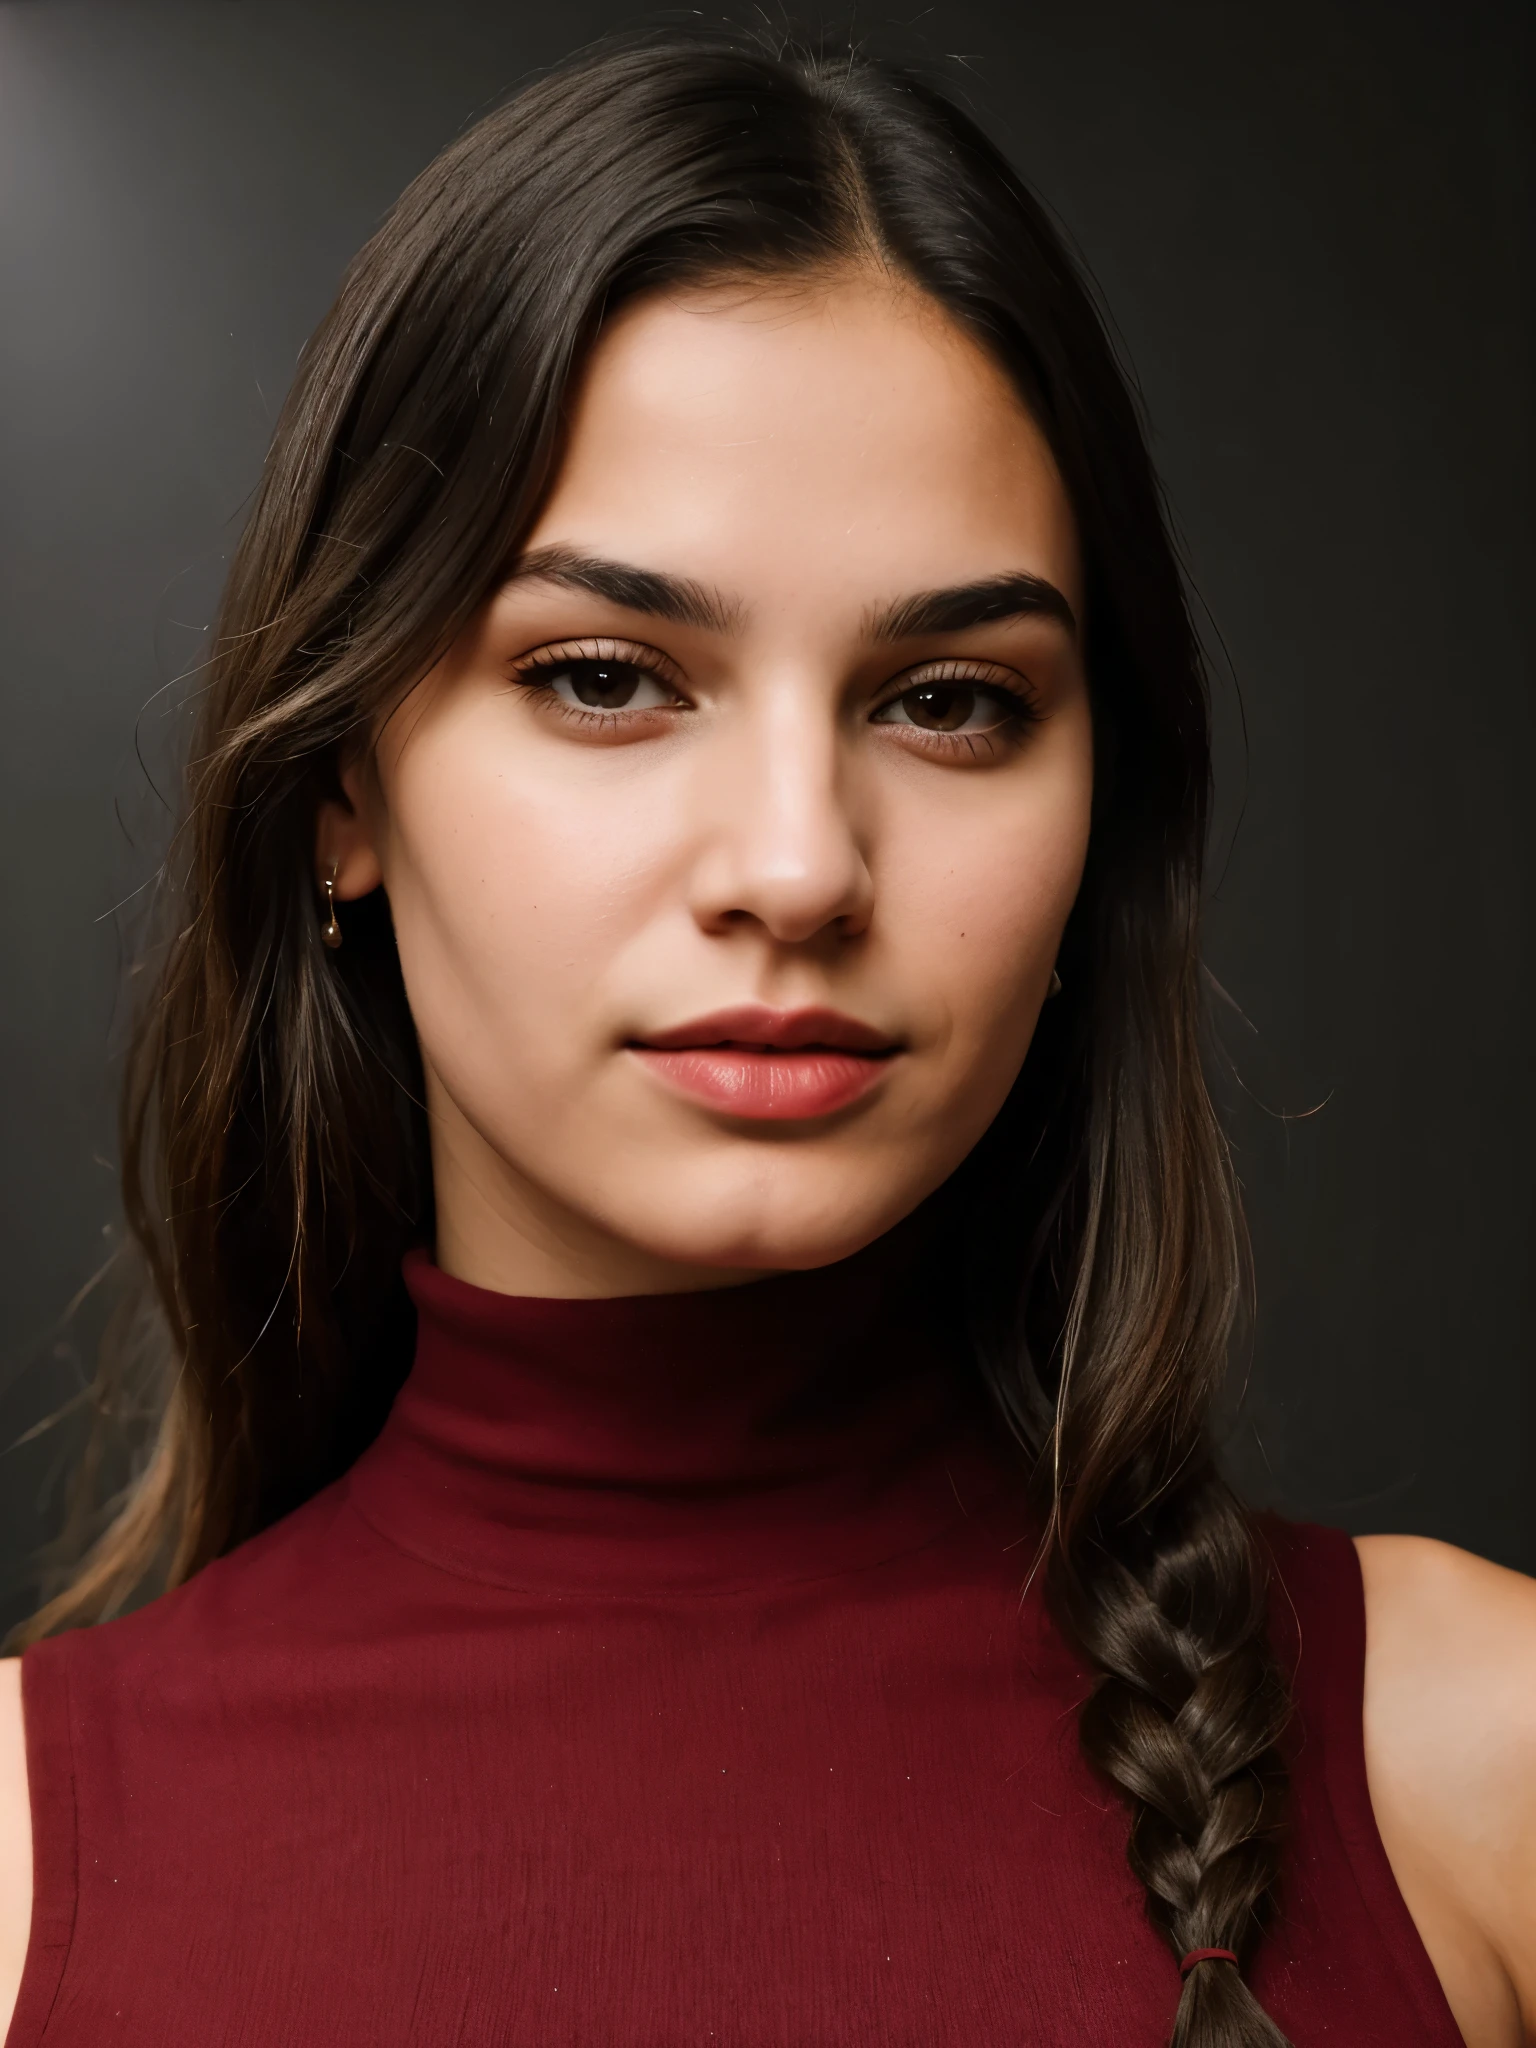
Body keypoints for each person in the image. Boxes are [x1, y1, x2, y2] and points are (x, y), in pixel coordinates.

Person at [0, 30, 1532, 2048]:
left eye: (953, 701)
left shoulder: (1474, 1756)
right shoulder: (27, 1863)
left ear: (1103, 819)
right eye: (612, 677)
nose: (801, 866)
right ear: (340, 792)